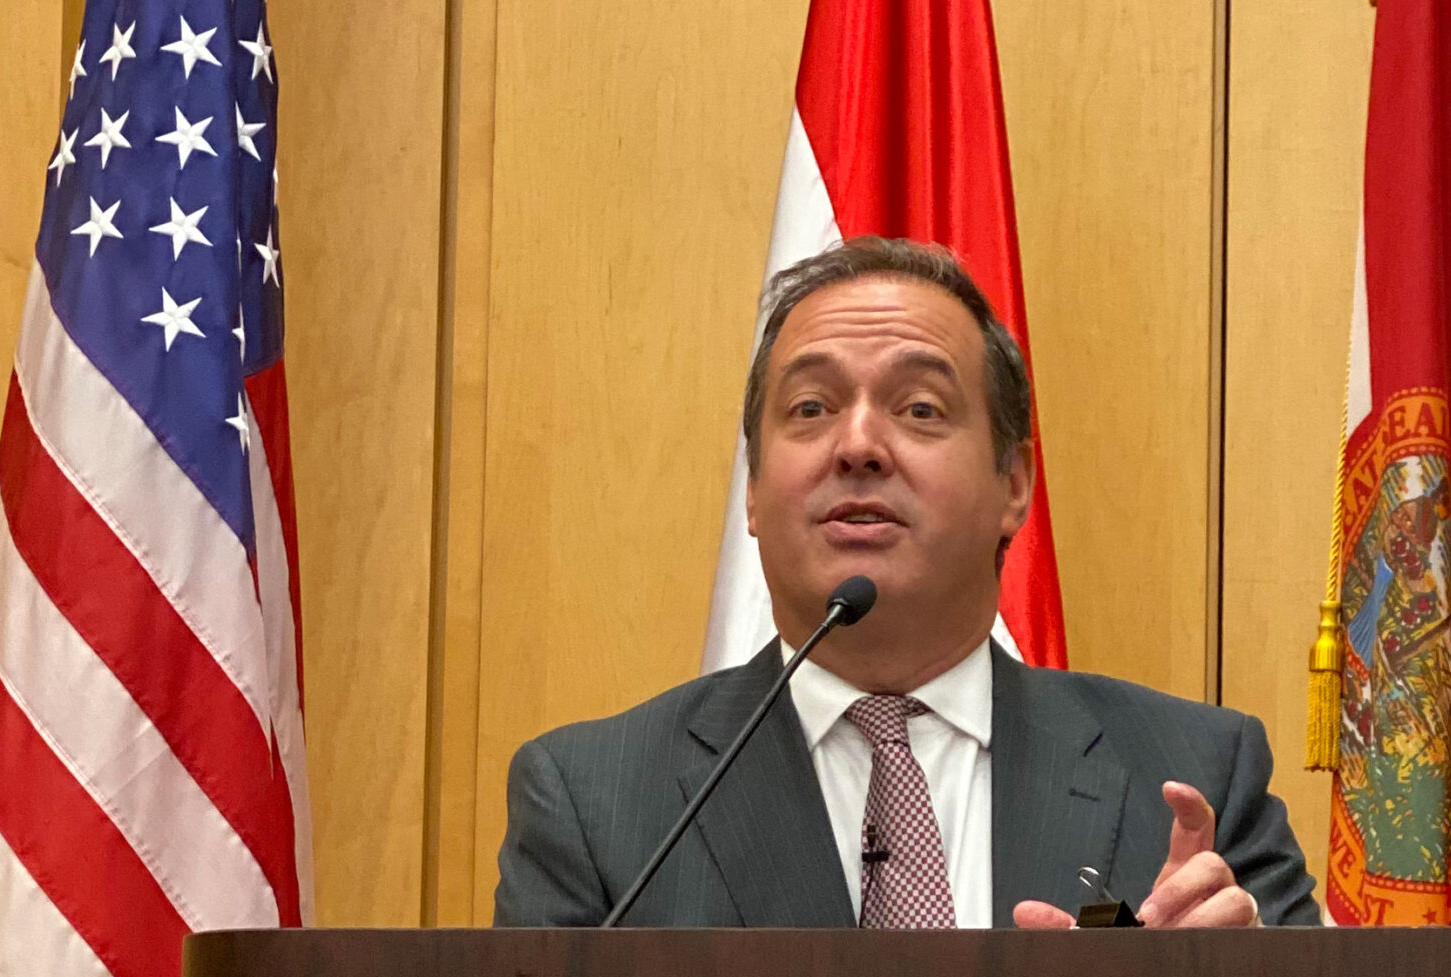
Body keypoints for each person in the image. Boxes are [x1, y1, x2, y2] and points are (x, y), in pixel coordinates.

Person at [493, 237, 1318, 930]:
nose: (857, 444)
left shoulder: (1197, 777)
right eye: (810, 408)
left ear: (1014, 485)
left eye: (920, 409)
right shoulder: (596, 805)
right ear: (752, 491)